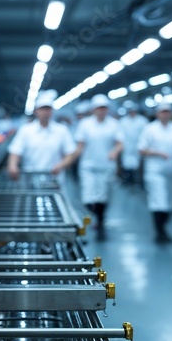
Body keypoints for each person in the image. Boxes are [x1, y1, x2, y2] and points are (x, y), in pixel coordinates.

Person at [73, 95, 124, 241]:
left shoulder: (114, 124)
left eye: (104, 108)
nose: (101, 111)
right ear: (93, 109)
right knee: (88, 198)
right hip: (88, 167)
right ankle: (97, 217)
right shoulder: (85, 124)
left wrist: (115, 151)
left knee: (103, 197)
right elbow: (80, 146)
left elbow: (120, 143)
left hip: (106, 167)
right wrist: (70, 160)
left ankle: (101, 223)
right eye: (99, 108)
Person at [138, 103, 172, 243]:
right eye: (162, 112)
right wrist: (157, 153)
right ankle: (159, 232)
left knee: (170, 203)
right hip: (155, 171)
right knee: (159, 202)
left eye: (168, 112)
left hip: (171, 172)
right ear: (157, 113)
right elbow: (142, 150)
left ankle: (163, 229)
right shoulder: (149, 129)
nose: (165, 114)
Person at [7, 90, 78, 181]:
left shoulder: (61, 130)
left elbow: (70, 153)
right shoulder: (26, 130)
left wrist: (61, 165)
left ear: (52, 111)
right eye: (42, 109)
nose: (45, 112)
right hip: (30, 179)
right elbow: (15, 151)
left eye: (48, 109)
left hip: (55, 179)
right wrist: (12, 165)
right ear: (36, 111)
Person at [118, 101, 149, 186]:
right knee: (126, 164)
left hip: (139, 146)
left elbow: (146, 134)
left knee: (140, 164)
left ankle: (139, 180)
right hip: (127, 146)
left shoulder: (143, 121)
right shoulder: (123, 121)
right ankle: (128, 180)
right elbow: (120, 134)